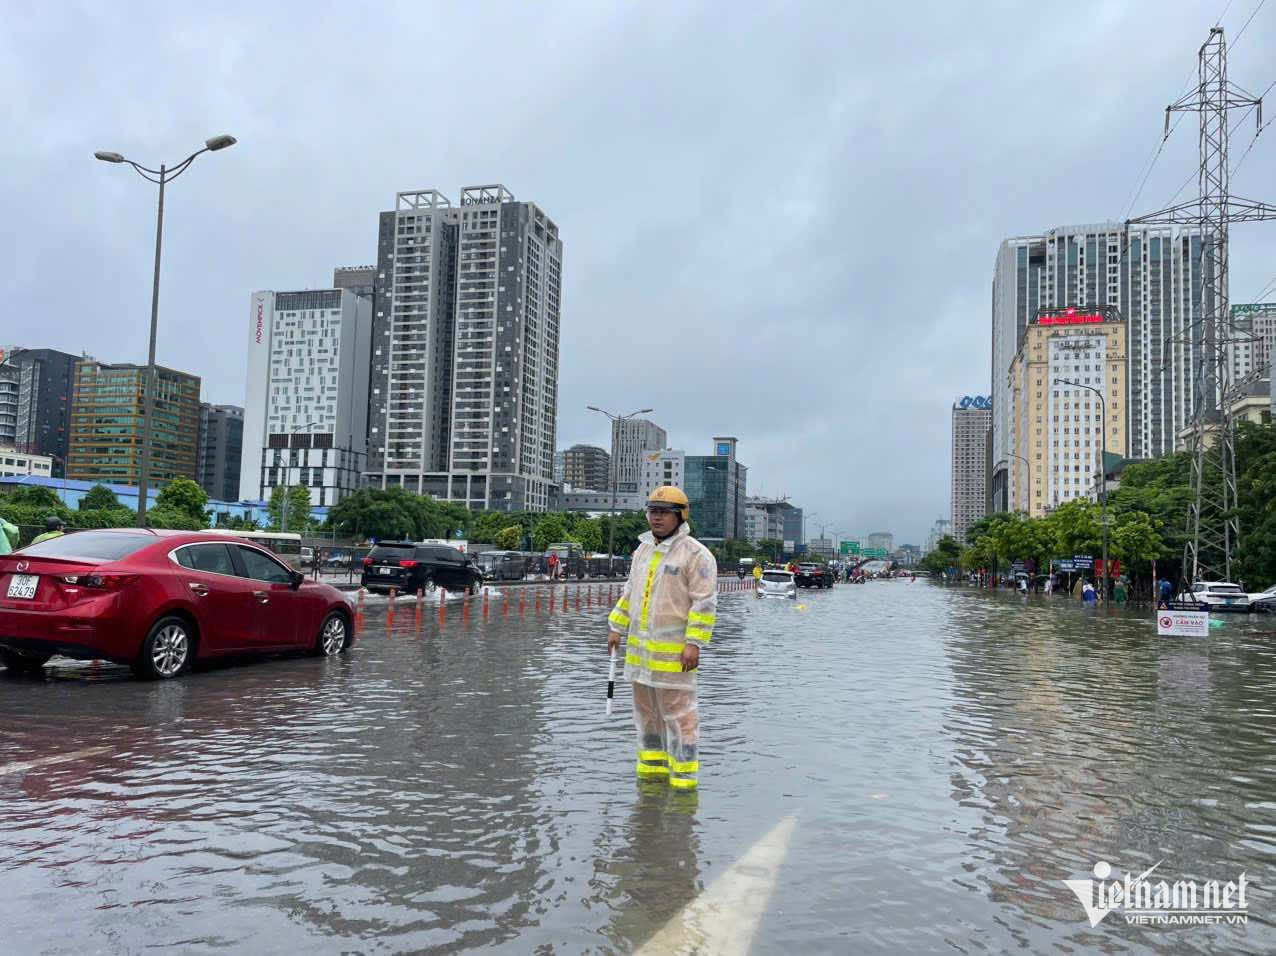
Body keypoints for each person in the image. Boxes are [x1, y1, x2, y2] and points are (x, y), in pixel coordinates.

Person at [608, 485, 717, 792]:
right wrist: (616, 627)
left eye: (664, 513)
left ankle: (683, 782)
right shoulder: (642, 550)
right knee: (646, 716)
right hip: (640, 656)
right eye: (653, 511)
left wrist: (694, 643)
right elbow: (630, 592)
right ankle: (651, 778)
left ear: (680, 517)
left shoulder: (696, 554)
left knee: (680, 717)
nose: (656, 518)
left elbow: (704, 603)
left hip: (675, 658)